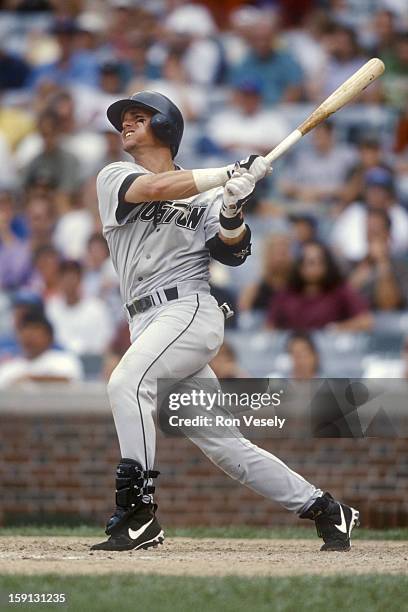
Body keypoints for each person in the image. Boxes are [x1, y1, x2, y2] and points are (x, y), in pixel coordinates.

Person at [91, 90, 359, 553]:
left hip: (188, 310)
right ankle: (326, 509)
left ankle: (138, 515)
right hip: (147, 322)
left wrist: (233, 205)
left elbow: (231, 250)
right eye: (123, 120)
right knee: (224, 445)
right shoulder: (116, 176)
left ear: (166, 126)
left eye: (138, 117)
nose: (126, 124)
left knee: (126, 384)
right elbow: (155, 190)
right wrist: (226, 174)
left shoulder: (209, 192)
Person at [267, 241, 373, 331]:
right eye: (309, 262)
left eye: (319, 262)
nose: (314, 267)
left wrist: (337, 328)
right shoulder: (286, 294)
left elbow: (365, 321)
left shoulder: (341, 290)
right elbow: (269, 327)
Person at [46, 260, 114, 356]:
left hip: (92, 362)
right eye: (64, 277)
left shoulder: (97, 307)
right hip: (61, 362)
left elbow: (105, 342)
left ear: (80, 279)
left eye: (72, 276)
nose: (68, 281)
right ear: (59, 280)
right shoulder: (51, 307)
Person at [0, 311, 83, 389]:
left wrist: (29, 379)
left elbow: (69, 381)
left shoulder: (64, 360)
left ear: (50, 337)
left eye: (34, 332)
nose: (28, 337)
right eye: (24, 332)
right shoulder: (9, 367)